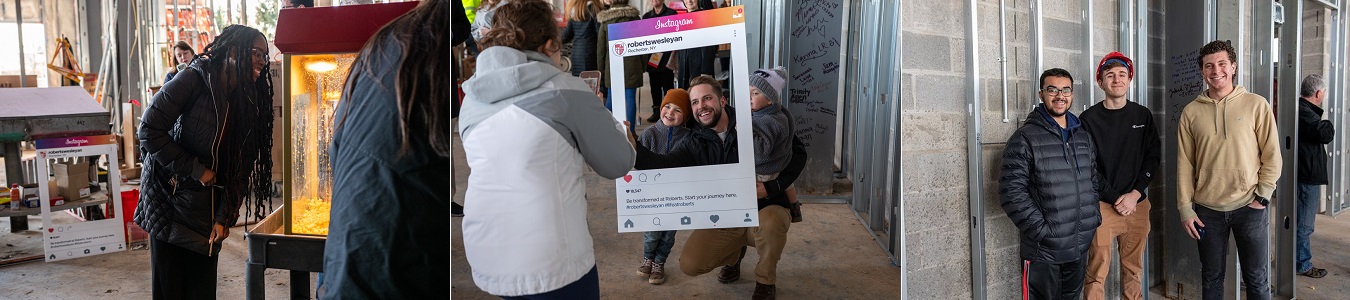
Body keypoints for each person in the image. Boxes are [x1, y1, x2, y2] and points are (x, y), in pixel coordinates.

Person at [459, 1, 636, 298]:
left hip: (488, 251)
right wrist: (621, 130)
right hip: (554, 261)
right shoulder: (565, 90)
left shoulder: (472, 98)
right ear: (552, 45)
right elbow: (617, 162)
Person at [319, 1, 453, 298]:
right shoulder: (436, 48)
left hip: (342, 268)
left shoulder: (384, 41)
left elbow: (336, 148)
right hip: (391, 276)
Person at [634, 75, 808, 300]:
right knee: (690, 264)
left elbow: (800, 153)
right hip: (726, 215)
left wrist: (773, 186)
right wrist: (632, 147)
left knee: (771, 224)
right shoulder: (694, 140)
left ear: (722, 101)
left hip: (767, 205)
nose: (701, 106)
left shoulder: (754, 121)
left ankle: (765, 280)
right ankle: (734, 255)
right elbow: (664, 164)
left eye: (707, 98)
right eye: (695, 102)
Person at [135, 25, 274, 299]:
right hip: (169, 202)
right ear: (233, 52)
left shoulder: (249, 101)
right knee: (171, 290)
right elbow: (149, 130)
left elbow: (240, 169)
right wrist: (195, 169)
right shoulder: (194, 78)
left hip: (206, 211)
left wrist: (225, 217)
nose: (261, 60)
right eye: (256, 53)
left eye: (264, 56)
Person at [1177, 40, 1281, 300]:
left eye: (1222, 63)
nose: (1216, 70)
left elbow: (1272, 155)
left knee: (1256, 279)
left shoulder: (1256, 105)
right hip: (1206, 210)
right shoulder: (1190, 112)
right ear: (1202, 71)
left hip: (1250, 207)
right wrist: (1185, 208)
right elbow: (1185, 163)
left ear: (1233, 66)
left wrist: (1263, 194)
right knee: (1211, 278)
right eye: (1209, 65)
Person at [998, 68, 1101, 300]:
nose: (1060, 95)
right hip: (1043, 251)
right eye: (1052, 89)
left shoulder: (1082, 135)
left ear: (1072, 94)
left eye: (1065, 90)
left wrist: (1093, 218)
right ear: (1041, 94)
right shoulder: (1025, 138)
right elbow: (1010, 192)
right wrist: (1042, 232)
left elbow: (1092, 179)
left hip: (1078, 245)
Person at [1079, 52, 1159, 300]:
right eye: (1110, 75)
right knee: (1096, 273)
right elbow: (1087, 167)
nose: (1116, 80)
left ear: (1129, 80)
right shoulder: (1088, 119)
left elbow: (1152, 157)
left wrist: (1134, 195)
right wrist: (1116, 198)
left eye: (1122, 75)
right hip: (1103, 208)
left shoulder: (1142, 116)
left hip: (1138, 206)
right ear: (1100, 82)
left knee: (1133, 270)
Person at [634, 88, 692, 285]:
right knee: (652, 233)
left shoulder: (688, 137)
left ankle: (659, 262)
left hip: (676, 197)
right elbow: (639, 163)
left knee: (668, 235)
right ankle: (648, 259)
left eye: (677, 110)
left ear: (685, 116)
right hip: (653, 196)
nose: (670, 113)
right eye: (667, 107)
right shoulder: (649, 134)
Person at [748, 67, 802, 223]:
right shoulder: (778, 113)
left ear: (770, 99)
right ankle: (795, 208)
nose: (749, 97)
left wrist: (746, 132)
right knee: (789, 185)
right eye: (748, 92)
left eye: (755, 93)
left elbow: (761, 150)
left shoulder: (769, 121)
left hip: (766, 169)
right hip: (780, 164)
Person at [1296, 74, 1335, 278]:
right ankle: (1302, 264)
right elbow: (1325, 133)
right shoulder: (1305, 112)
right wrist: (1328, 122)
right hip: (1306, 178)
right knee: (1304, 224)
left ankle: (1297, 259)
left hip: (1304, 175)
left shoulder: (1303, 110)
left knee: (1301, 222)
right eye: (1324, 92)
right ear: (1318, 93)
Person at [596, 0, 644, 132]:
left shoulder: (605, 21)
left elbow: (601, 50)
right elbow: (643, 43)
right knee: (629, 97)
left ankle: (608, 131)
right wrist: (642, 66)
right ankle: (631, 133)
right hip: (632, 65)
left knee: (612, 97)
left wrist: (601, 71)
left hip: (612, 66)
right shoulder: (634, 18)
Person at [642, 0, 677, 122]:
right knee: (654, 87)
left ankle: (670, 112)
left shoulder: (672, 14)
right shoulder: (646, 17)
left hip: (666, 58)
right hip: (652, 59)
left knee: (668, 87)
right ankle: (657, 112)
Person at [674, 0, 717, 89]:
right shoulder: (681, 21)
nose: (689, 1)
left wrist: (706, 74)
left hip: (699, 72)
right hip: (684, 71)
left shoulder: (705, 18)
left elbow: (710, 48)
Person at [561, 0, 604, 76]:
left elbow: (566, 36)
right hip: (592, 55)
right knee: (591, 83)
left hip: (576, 55)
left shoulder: (574, 11)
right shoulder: (595, 8)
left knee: (579, 83)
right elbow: (600, 35)